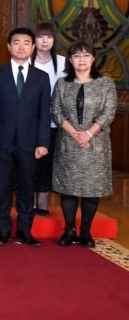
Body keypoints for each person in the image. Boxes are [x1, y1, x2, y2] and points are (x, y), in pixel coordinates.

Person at [0, 27, 50, 247]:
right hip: (0, 141)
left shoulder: (41, 78)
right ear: (9, 47)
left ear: (33, 47)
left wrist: (43, 142)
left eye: (26, 43)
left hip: (29, 143)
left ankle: (24, 231)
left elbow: (44, 113)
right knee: (1, 187)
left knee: (26, 188)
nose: (21, 47)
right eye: (16, 42)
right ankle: (3, 230)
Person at [52, 41, 117, 248]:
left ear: (93, 59)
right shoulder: (62, 84)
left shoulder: (105, 83)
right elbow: (56, 111)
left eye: (86, 55)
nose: (81, 59)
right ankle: (69, 230)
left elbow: (109, 112)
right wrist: (75, 133)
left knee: (92, 188)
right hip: (69, 143)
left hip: (95, 144)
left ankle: (86, 232)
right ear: (70, 60)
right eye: (77, 55)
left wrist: (88, 133)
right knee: (68, 188)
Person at [27, 22, 66, 215]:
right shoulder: (27, 60)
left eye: (49, 37)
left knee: (48, 163)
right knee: (30, 162)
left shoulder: (63, 62)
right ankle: (29, 202)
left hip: (54, 122)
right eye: (40, 36)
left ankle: (42, 203)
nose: (44, 40)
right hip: (29, 123)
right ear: (34, 40)